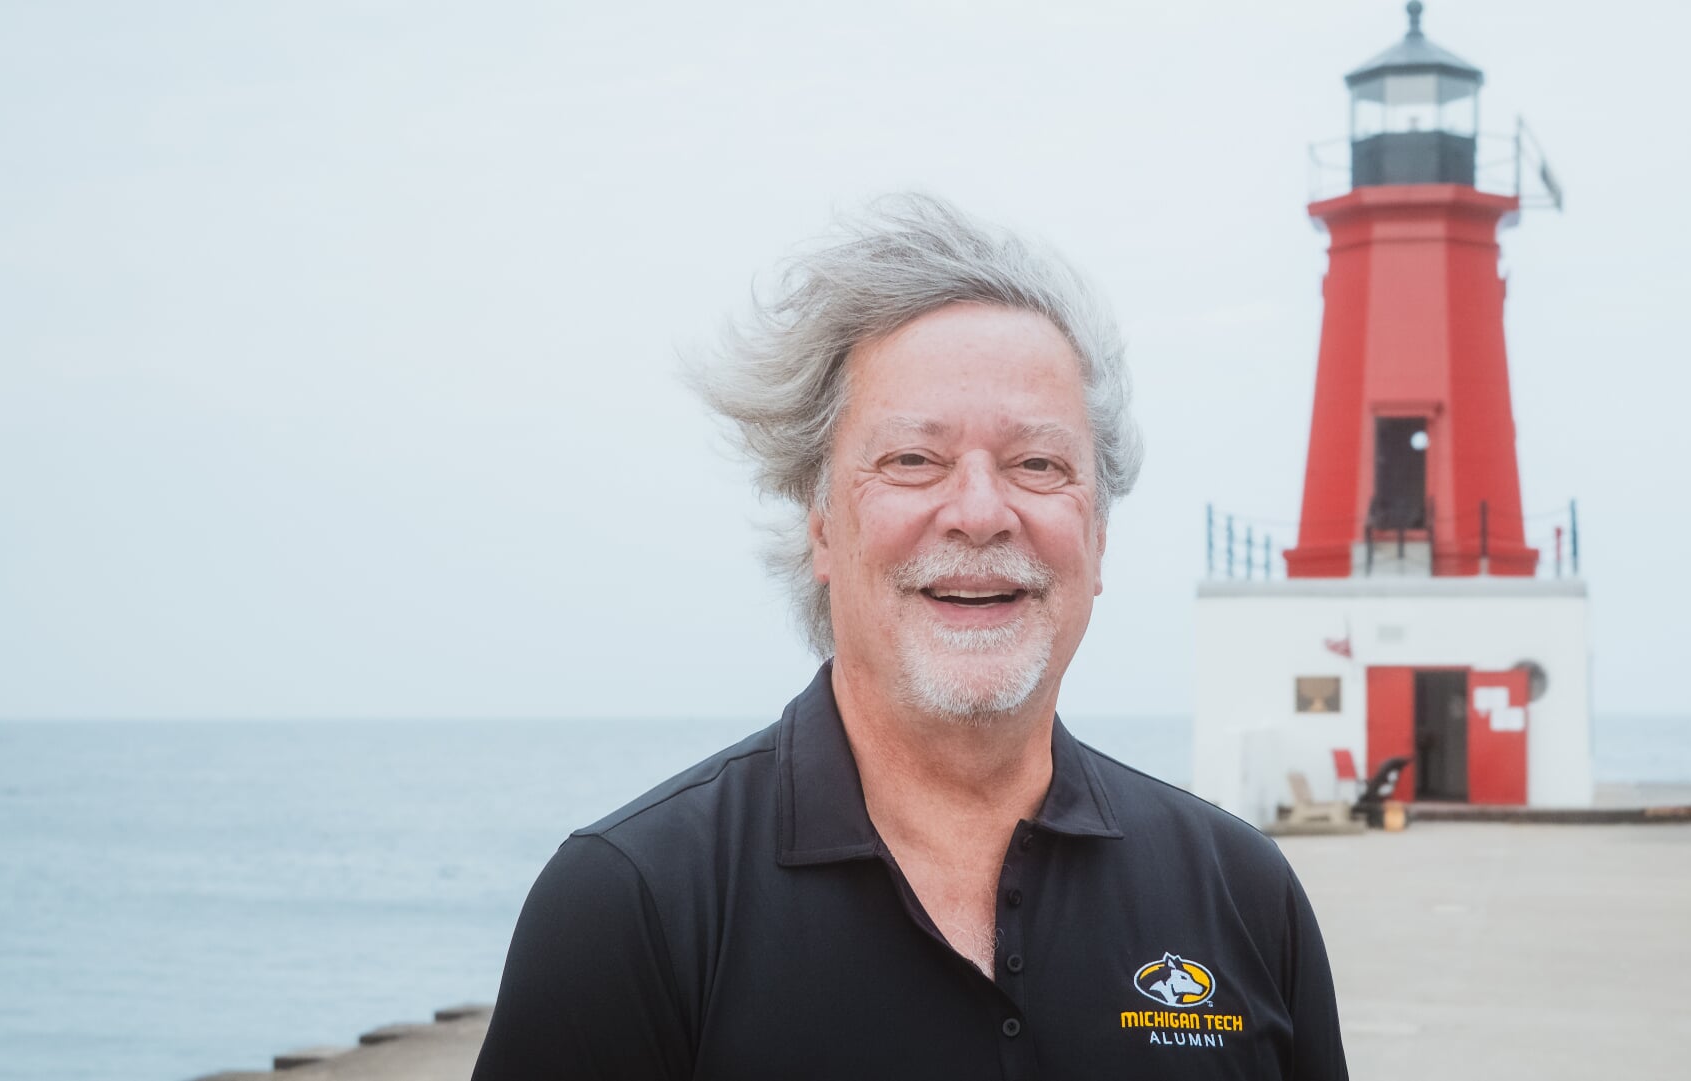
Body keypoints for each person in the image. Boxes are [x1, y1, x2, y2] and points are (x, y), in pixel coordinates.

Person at [470, 194, 1347, 1080]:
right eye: (912, 460)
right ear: (819, 526)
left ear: (1099, 537)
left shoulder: (1242, 893)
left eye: (1038, 464)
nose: (978, 512)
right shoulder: (633, 905)